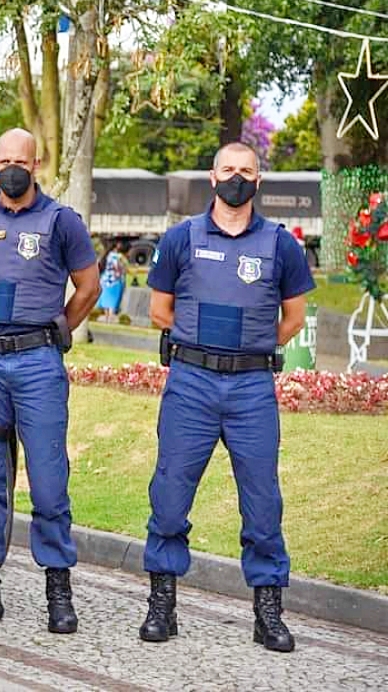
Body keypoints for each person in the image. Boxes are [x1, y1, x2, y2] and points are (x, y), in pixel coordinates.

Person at [140, 142, 313, 652]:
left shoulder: (281, 246)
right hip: (190, 384)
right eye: (228, 170)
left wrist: (250, 348)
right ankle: (162, 604)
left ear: (258, 181)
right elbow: (158, 311)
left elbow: (294, 319)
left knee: (262, 503)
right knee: (170, 497)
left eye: (247, 171)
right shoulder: (181, 239)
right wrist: (201, 344)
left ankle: (268, 612)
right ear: (212, 178)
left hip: (252, 388)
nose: (237, 178)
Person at [0, 128, 101, 633]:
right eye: (3, 159)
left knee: (49, 480)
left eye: (21, 160)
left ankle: (58, 588)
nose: (11, 167)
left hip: (38, 365)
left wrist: (57, 328)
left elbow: (89, 285)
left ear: (37, 165)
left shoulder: (61, 222)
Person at [96, 241, 128, 322]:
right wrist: (121, 272)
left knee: (106, 300)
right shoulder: (116, 256)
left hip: (104, 280)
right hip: (114, 281)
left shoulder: (104, 256)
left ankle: (107, 317)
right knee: (113, 300)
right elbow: (118, 267)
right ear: (116, 246)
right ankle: (111, 317)